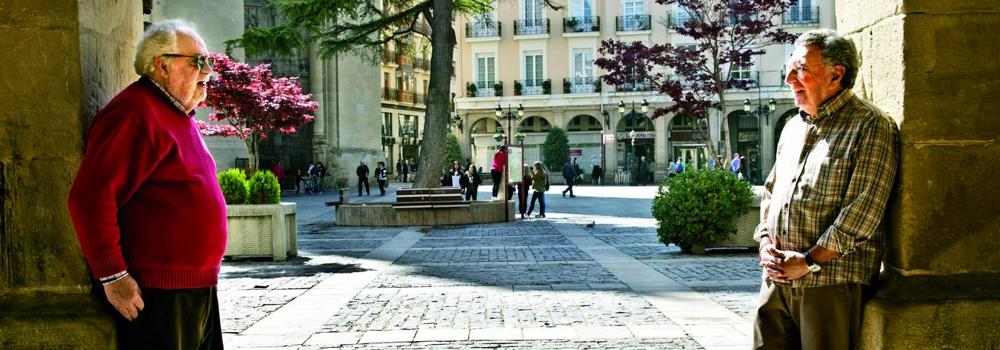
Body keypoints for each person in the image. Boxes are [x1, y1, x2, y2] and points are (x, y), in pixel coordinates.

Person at [67, 20, 225, 349]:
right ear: (162, 65)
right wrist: (113, 276)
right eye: (197, 61)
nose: (207, 71)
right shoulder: (135, 113)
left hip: (194, 289)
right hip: (158, 295)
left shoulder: (177, 115)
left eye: (209, 61)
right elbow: (89, 197)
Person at [753, 29, 899, 350]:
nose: (790, 79)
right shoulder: (793, 126)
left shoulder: (870, 125)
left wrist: (807, 261)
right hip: (776, 280)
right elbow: (771, 192)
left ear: (836, 74)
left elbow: (863, 212)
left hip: (828, 284)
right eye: (790, 69)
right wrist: (765, 243)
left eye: (802, 69)